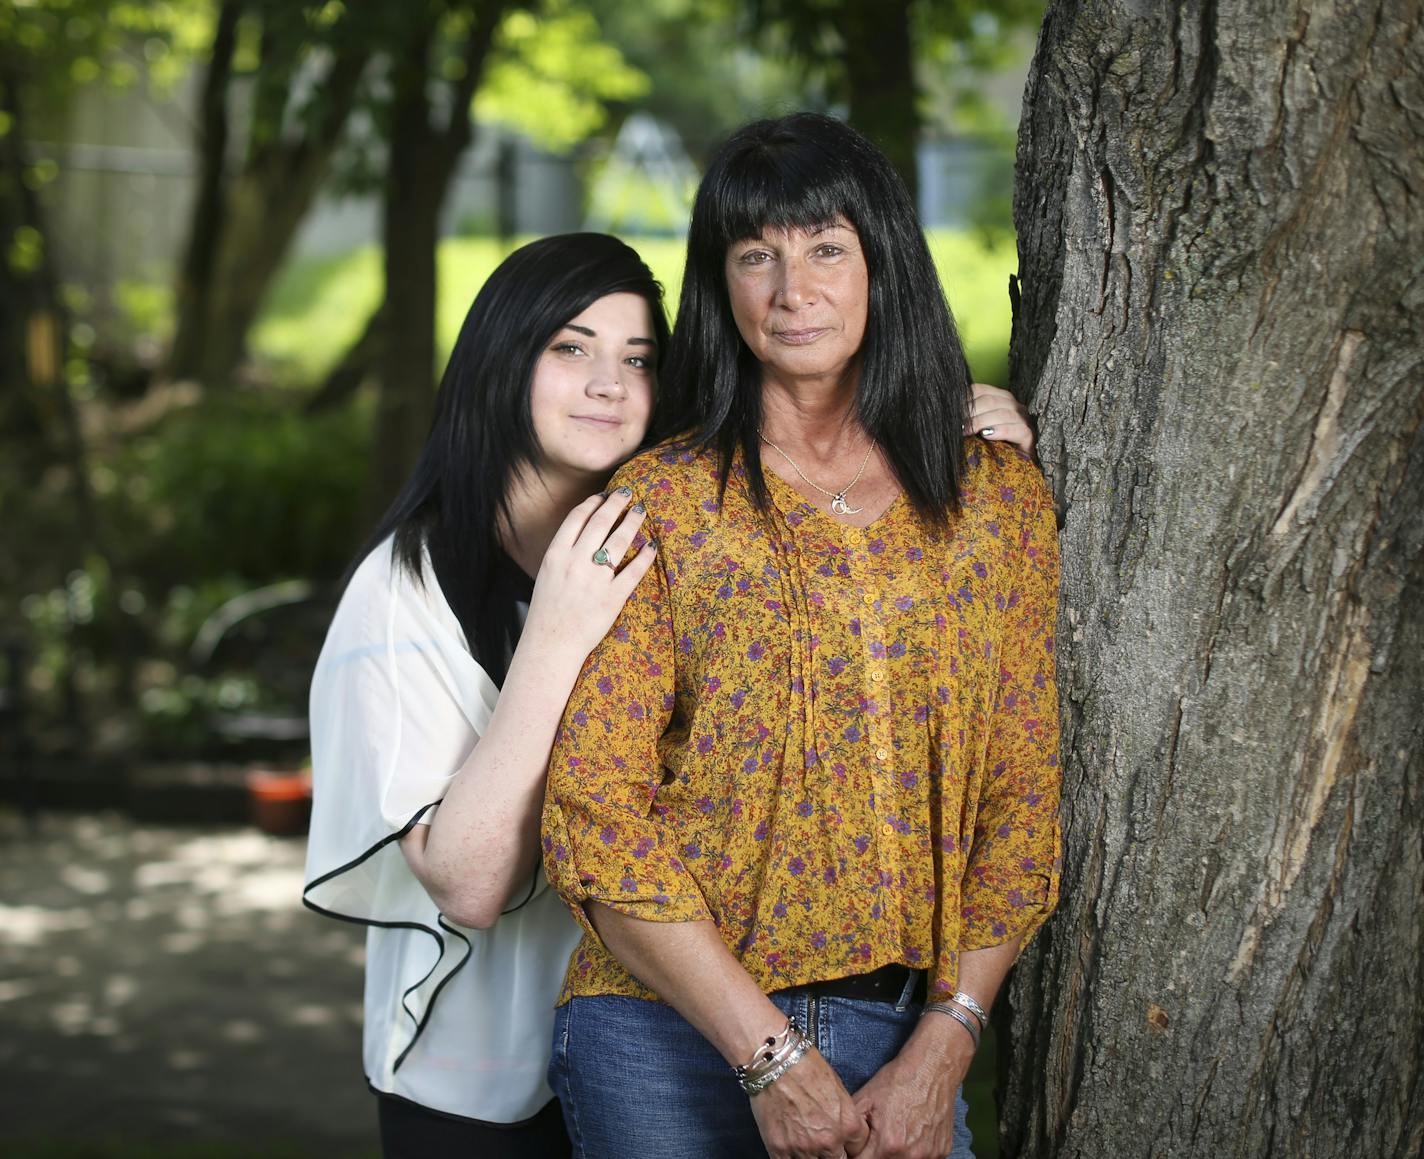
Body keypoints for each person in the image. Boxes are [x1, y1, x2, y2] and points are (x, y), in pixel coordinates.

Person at [542, 113, 1062, 1159]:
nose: (793, 289)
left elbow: (1022, 792)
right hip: (663, 1031)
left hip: (904, 1034)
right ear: (719, 284)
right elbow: (597, 814)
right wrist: (770, 1057)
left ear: (882, 263)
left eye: (827, 247)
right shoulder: (659, 505)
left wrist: (946, 1043)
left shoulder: (993, 498)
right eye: (754, 255)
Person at [302, 233, 665, 1158]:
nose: (608, 384)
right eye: (571, 348)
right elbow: (468, 879)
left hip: (651, 1066)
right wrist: (556, 632)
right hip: (474, 1095)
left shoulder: (664, 553)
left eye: (637, 359)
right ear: (504, 362)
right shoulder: (403, 590)